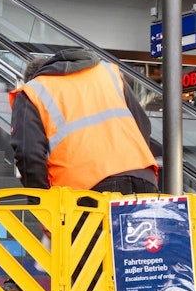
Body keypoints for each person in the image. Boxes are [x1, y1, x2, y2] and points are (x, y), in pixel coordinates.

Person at [9, 47, 158, 194]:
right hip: (143, 177)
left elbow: (28, 154)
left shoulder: (33, 91)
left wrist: (41, 199)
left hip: (87, 188)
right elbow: (142, 125)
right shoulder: (107, 73)